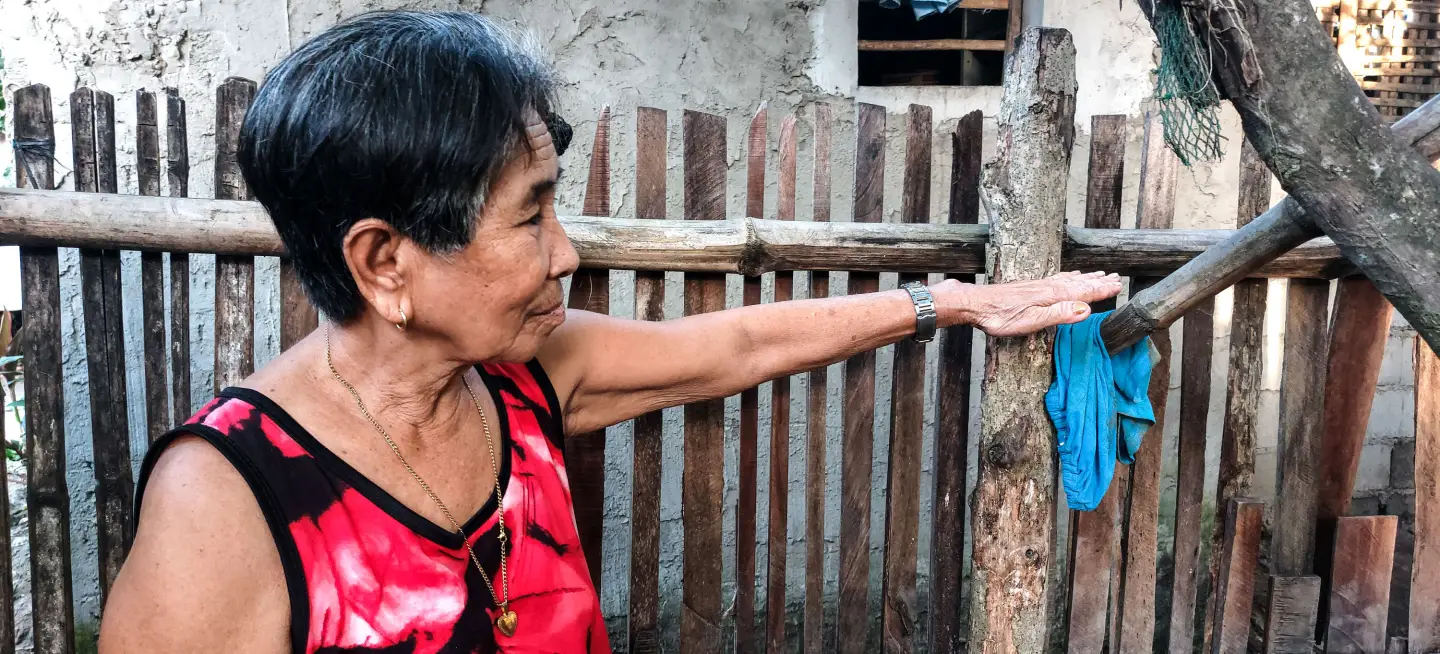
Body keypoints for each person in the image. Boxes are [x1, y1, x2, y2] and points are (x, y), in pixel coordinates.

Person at [98, 10, 1121, 654]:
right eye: (530, 215)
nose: (566, 252)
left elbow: (741, 346)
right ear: (384, 264)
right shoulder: (227, 500)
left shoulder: (524, 377)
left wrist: (956, 304)